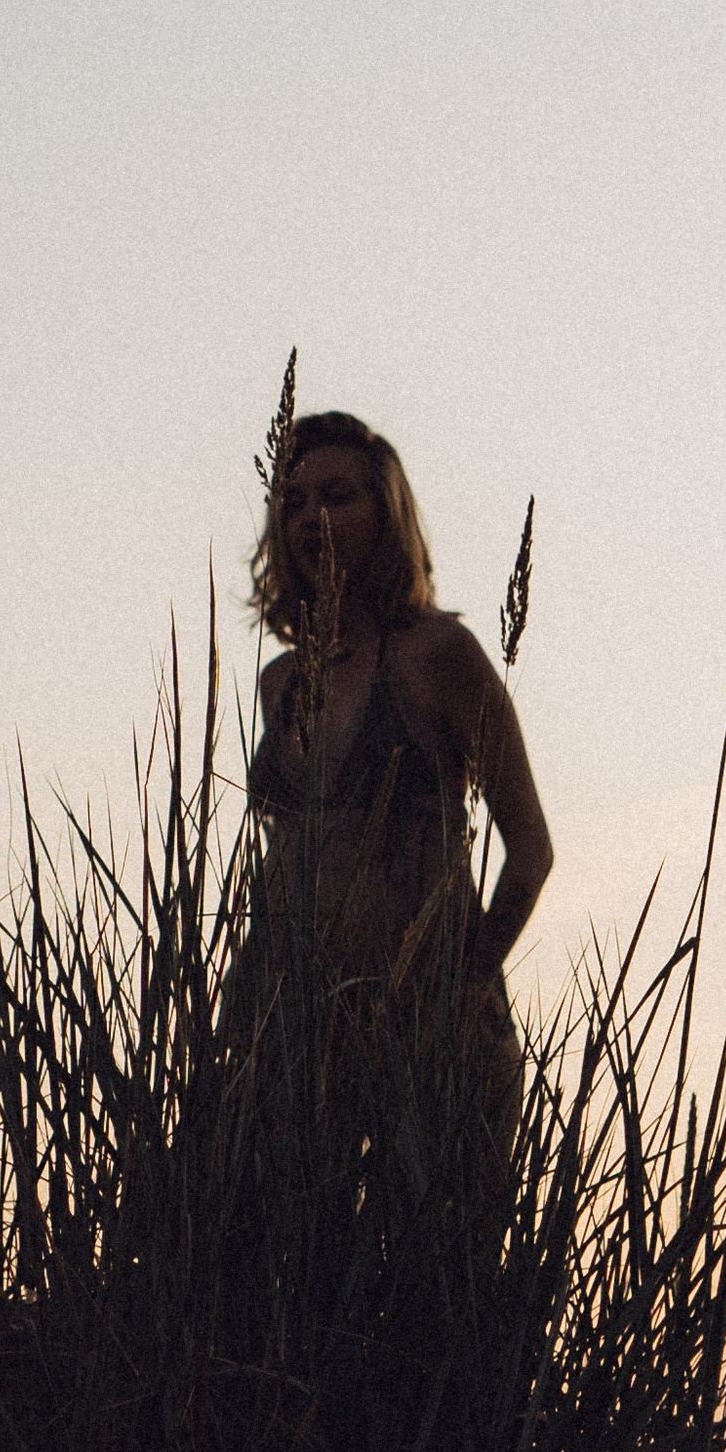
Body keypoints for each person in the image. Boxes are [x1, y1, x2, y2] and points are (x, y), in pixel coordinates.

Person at [242, 411, 552, 1136]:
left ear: (387, 514)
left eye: (337, 496)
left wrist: (463, 988)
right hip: (303, 1044)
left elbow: (530, 849)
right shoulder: (280, 682)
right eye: (293, 502)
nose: (311, 519)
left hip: (433, 1048)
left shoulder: (439, 653)